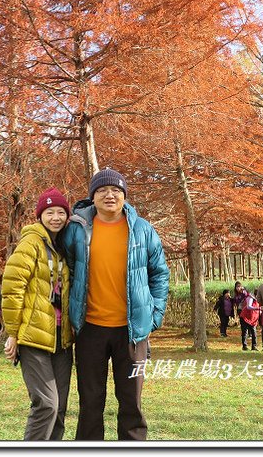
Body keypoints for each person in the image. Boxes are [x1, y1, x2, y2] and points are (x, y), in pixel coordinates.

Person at [61, 168, 170, 441]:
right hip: (90, 329)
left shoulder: (143, 229)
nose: (109, 195)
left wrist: (155, 314)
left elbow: (160, 273)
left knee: (132, 402)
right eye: (102, 191)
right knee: (90, 401)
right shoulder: (77, 229)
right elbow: (67, 272)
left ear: (124, 196)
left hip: (132, 332)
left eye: (116, 191)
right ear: (92, 197)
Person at [2, 188, 74, 440]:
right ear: (40, 215)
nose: (55, 217)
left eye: (61, 212)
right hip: (34, 337)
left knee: (60, 408)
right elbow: (12, 289)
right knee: (46, 404)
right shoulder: (30, 243)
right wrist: (13, 333)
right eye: (50, 212)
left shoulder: (64, 245)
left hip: (61, 338)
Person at [234, 281, 257, 351]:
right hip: (242, 312)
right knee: (244, 330)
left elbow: (249, 305)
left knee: (253, 330)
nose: (238, 288)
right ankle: (245, 346)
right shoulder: (236, 295)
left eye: (239, 286)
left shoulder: (246, 294)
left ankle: (254, 346)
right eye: (237, 286)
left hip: (249, 313)